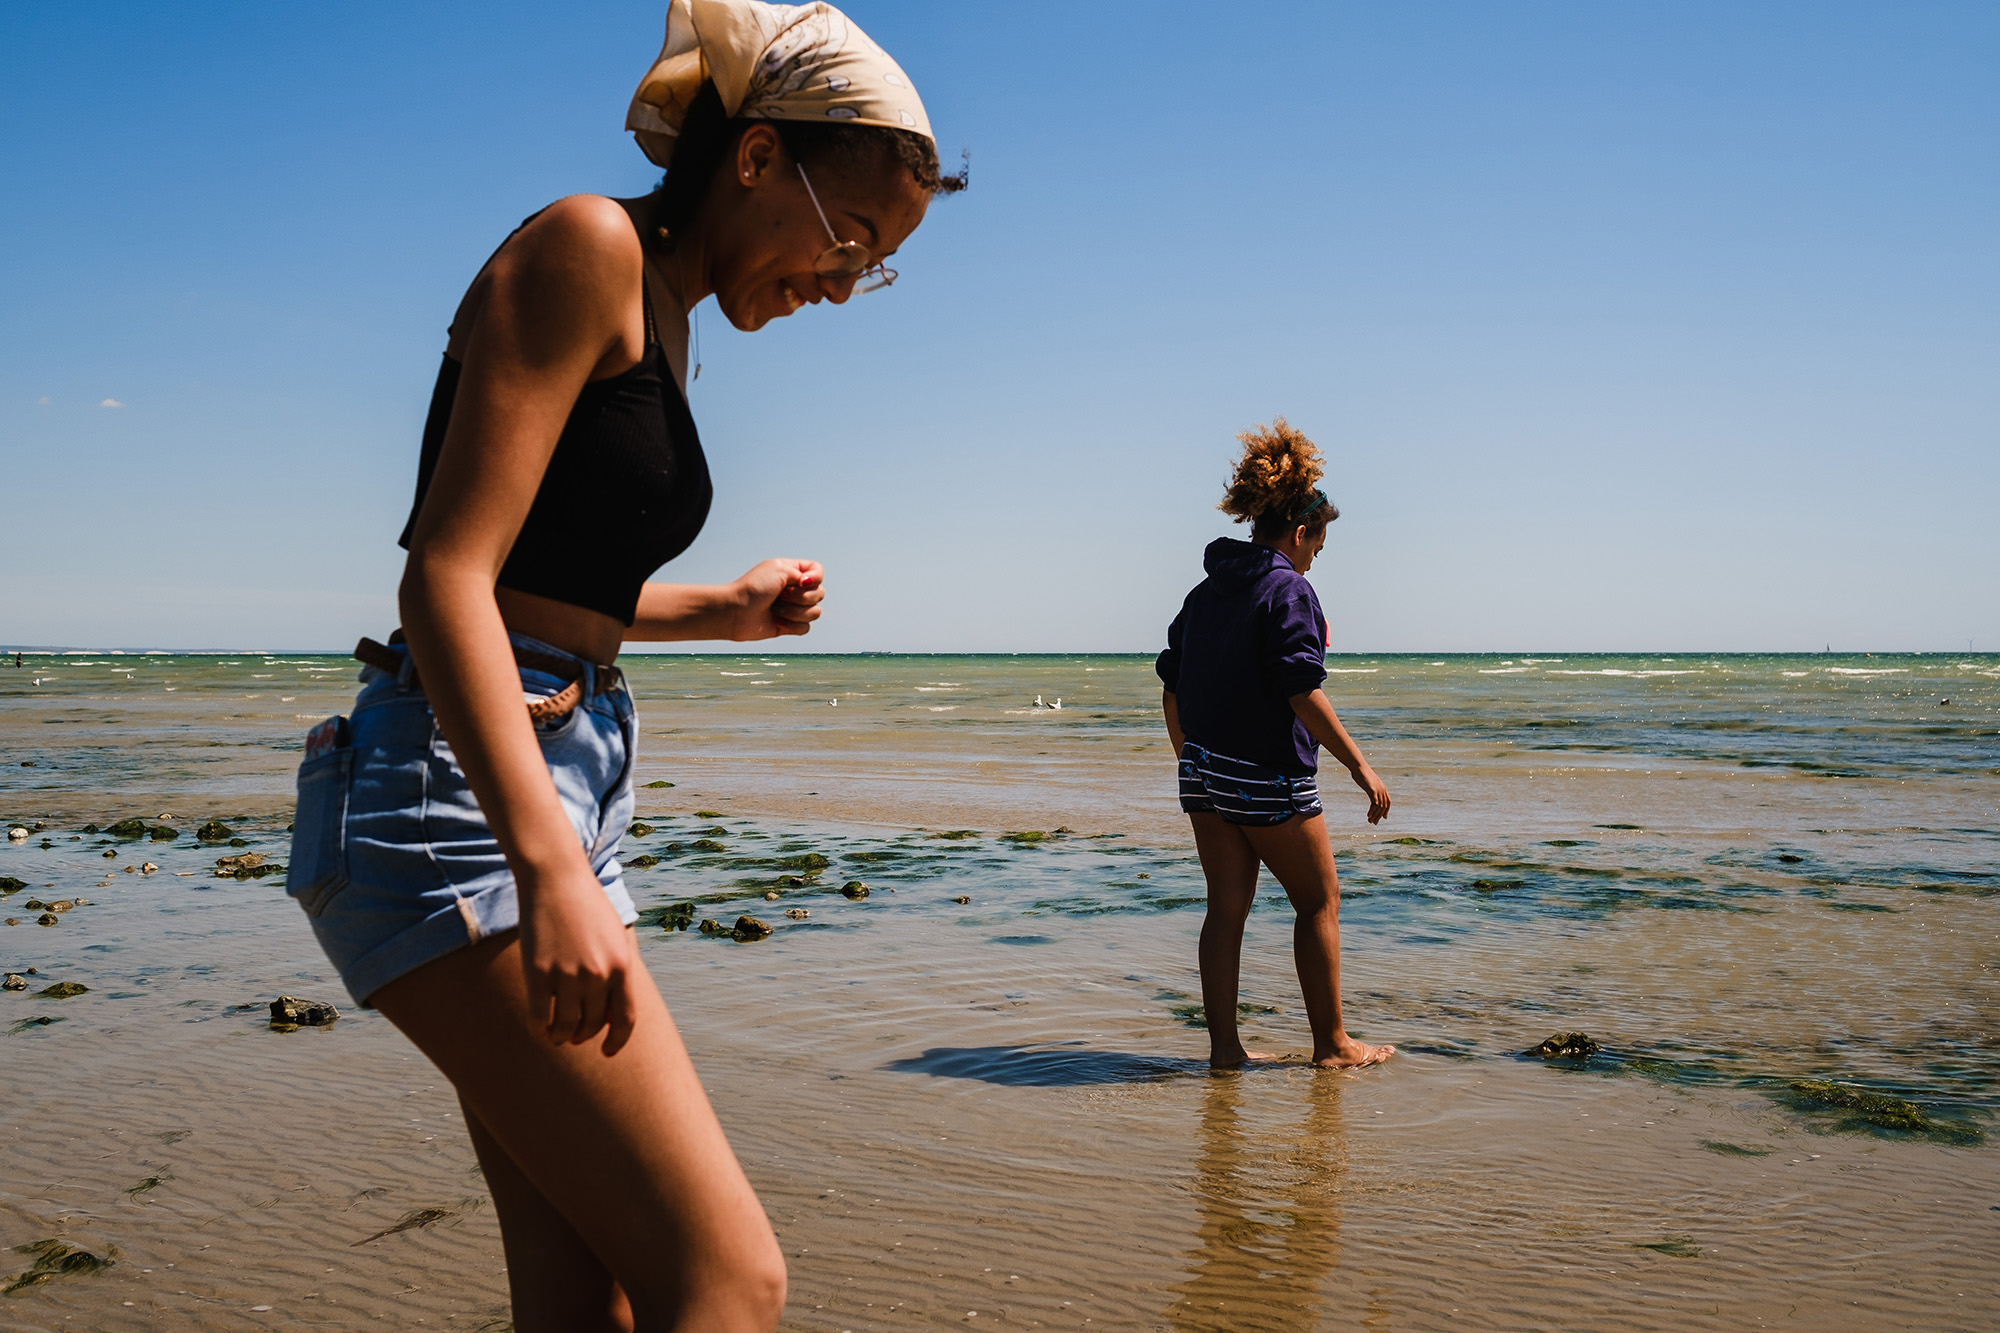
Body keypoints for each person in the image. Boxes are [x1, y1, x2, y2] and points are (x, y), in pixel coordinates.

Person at [283, 3, 961, 1327]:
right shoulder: (588, 246)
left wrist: (724, 607)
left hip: (535, 786)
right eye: (853, 238)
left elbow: (555, 584)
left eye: (874, 265)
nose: (845, 281)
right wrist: (545, 864)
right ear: (758, 158)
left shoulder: (665, 310)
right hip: (465, 802)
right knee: (725, 1278)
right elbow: (445, 577)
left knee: (578, 1289)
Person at [1155, 419, 1395, 1072]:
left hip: (1204, 774)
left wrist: (1190, 755)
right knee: (1319, 900)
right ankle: (1333, 1044)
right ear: (1298, 532)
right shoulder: (1289, 587)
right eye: (1319, 540)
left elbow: (1170, 684)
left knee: (1226, 908)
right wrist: (1360, 764)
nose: (1318, 554)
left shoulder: (1206, 592)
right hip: (1267, 777)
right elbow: (1300, 691)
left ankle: (1226, 1050)